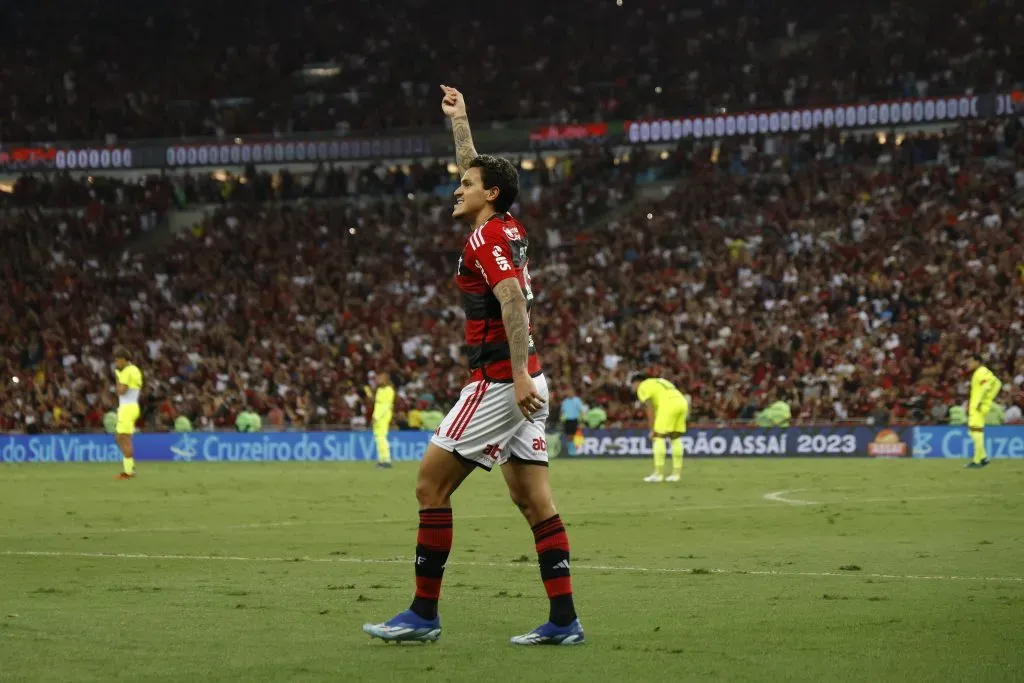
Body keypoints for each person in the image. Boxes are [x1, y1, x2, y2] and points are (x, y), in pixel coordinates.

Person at [363, 86, 582, 646]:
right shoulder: (506, 226)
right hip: (527, 377)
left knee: (429, 487)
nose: (456, 187)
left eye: (466, 184)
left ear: (491, 194)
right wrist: (461, 122)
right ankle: (564, 622)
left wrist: (517, 377)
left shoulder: (485, 237)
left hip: (499, 384)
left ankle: (422, 613)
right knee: (535, 502)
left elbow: (510, 299)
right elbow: (479, 168)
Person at [631, 373, 689, 482]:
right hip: (682, 402)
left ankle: (658, 473)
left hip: (668, 405)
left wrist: (652, 429)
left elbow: (649, 409)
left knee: (658, 437)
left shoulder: (643, 386)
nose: (633, 388)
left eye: (633, 385)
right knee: (675, 438)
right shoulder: (659, 381)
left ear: (637, 382)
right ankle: (676, 474)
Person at [965, 354, 1003, 468]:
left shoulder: (981, 372)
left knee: (976, 432)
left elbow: (985, 387)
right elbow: (997, 384)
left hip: (978, 406)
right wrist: (989, 398)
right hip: (977, 405)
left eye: (971, 361)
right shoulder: (983, 372)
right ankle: (983, 457)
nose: (968, 364)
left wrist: (983, 401)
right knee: (973, 432)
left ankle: (977, 461)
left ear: (977, 362)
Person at [113, 347, 143, 480]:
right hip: (133, 406)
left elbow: (121, 391)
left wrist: (118, 380)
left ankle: (129, 471)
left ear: (124, 360)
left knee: (122, 439)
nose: (116, 363)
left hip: (126, 408)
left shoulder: (125, 372)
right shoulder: (135, 370)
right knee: (123, 439)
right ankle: (130, 468)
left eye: (118, 360)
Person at [372, 372, 395, 468]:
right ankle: (381, 459)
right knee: (378, 438)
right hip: (377, 415)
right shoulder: (379, 390)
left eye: (380, 378)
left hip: (383, 416)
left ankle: (386, 459)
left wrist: (376, 416)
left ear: (385, 379)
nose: (378, 380)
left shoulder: (389, 390)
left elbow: (386, 405)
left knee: (382, 437)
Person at [559, 387, 584, 456]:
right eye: (568, 392)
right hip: (567, 420)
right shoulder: (565, 401)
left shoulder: (577, 400)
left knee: (576, 436)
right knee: (569, 436)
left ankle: (576, 450)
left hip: (575, 420)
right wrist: (561, 419)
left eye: (571, 392)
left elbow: (581, 411)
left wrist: (581, 421)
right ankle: (571, 451)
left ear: (573, 393)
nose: (569, 393)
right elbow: (562, 412)